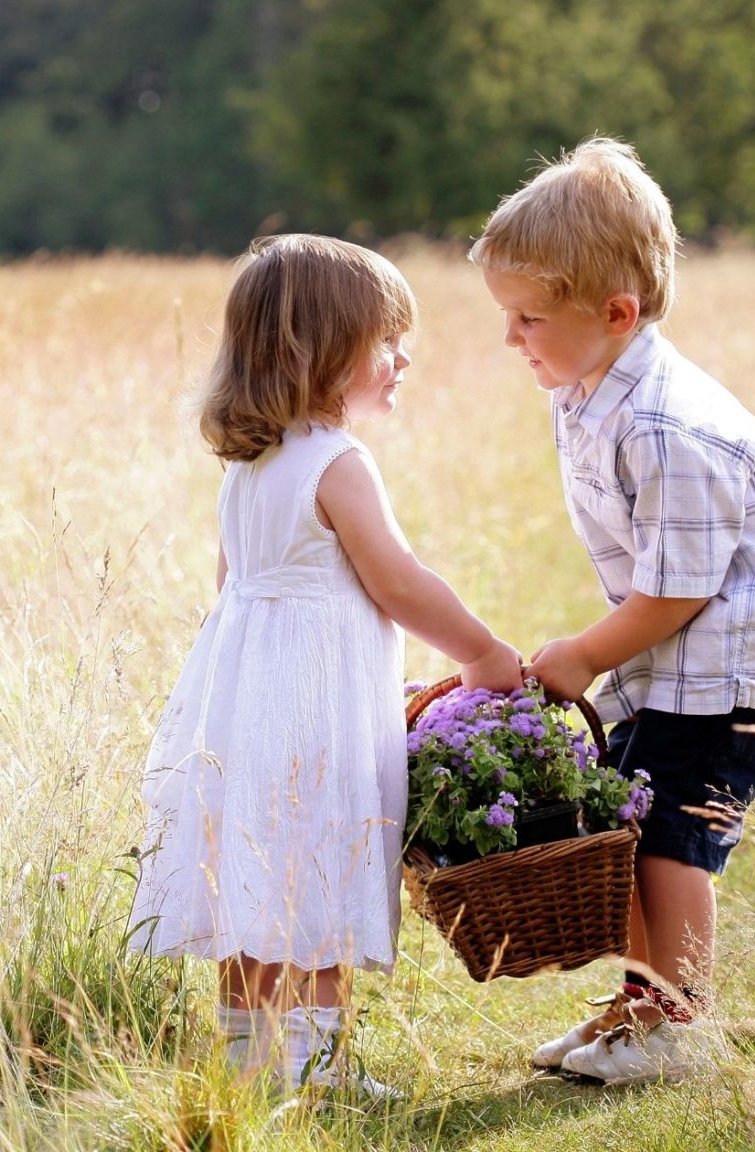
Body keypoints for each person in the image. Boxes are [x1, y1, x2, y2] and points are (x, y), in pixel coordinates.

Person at [472, 139, 755, 1086]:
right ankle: (640, 1005)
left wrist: (586, 653)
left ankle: (680, 1024)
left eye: (526, 318)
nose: (511, 339)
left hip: (738, 662)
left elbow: (682, 586)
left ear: (617, 312)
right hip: (679, 658)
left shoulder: (665, 425)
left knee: (673, 836)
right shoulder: (586, 385)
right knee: (626, 825)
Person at [127, 233, 526, 1097]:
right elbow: (401, 585)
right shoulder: (339, 464)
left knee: (256, 871)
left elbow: (233, 586)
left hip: (245, 706)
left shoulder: (250, 468)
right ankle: (313, 1070)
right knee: (322, 862)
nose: (403, 357)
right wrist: (484, 654)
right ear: (322, 351)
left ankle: (250, 1057)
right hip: (316, 710)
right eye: (386, 341)